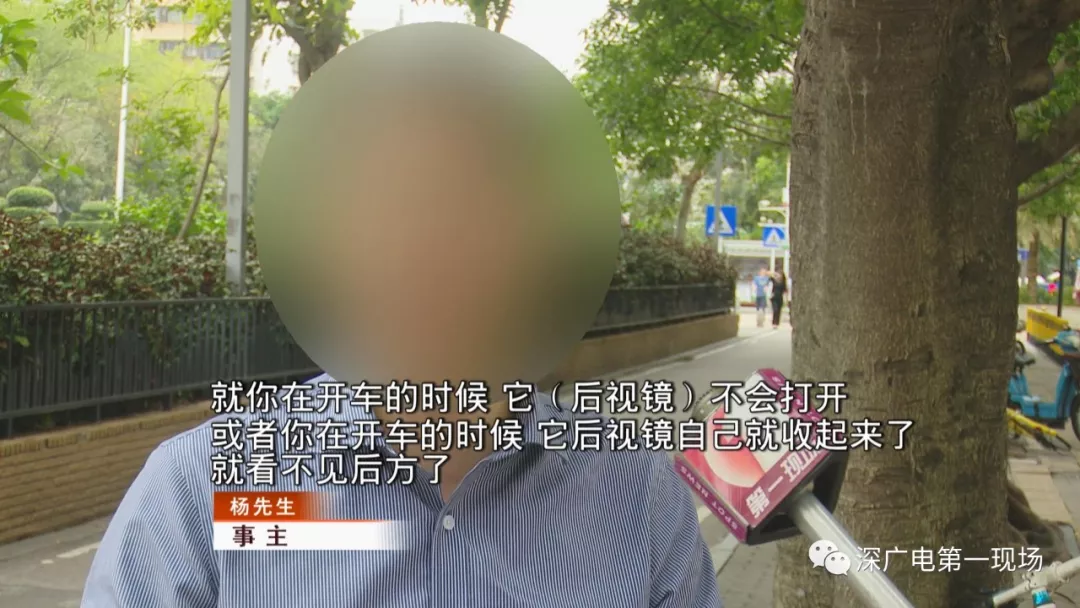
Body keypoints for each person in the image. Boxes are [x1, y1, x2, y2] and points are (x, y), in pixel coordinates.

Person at [81, 23, 719, 608]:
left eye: (470, 206)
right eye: (392, 205)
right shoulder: (199, 494)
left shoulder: (638, 500)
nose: (426, 246)